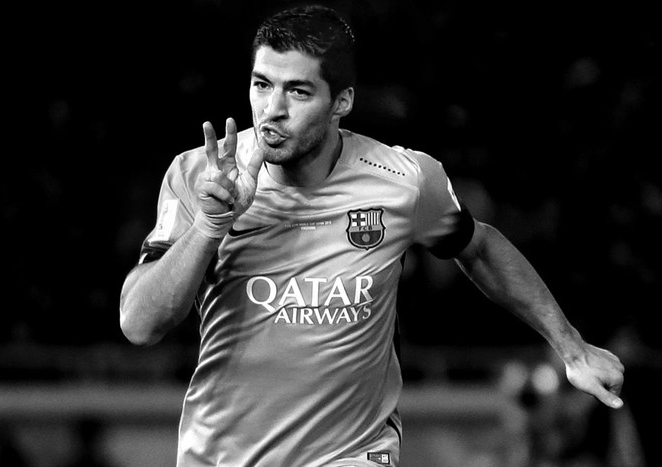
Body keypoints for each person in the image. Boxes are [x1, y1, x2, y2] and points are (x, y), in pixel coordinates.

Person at [119, 5, 624, 466]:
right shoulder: (200, 175)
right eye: (260, 84)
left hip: (354, 453)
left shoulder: (403, 182)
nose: (271, 109)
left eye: (297, 91)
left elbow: (482, 247)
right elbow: (139, 325)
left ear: (342, 101)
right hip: (221, 455)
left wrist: (572, 348)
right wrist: (211, 226)